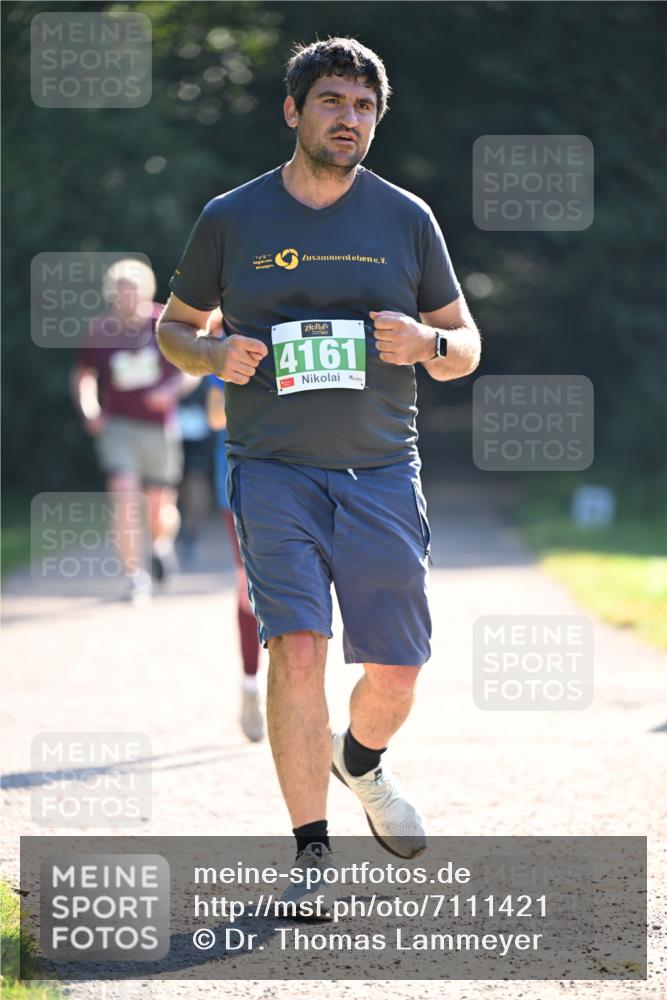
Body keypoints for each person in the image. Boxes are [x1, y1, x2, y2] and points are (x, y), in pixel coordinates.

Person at [156, 37, 481, 915]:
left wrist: (429, 345)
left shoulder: (406, 217)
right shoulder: (233, 216)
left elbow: (465, 345)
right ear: (294, 111)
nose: (350, 119)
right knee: (295, 646)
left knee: (397, 671)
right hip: (273, 470)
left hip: (380, 468)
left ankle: (362, 762)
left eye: (364, 107)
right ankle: (310, 851)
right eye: (333, 102)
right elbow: (174, 328)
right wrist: (211, 351)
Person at [71, 258, 196, 602]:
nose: (126, 299)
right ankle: (134, 576)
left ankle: (160, 543)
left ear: (145, 292)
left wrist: (169, 392)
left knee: (158, 509)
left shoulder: (164, 323)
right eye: (120, 293)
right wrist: (90, 409)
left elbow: (192, 369)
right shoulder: (101, 330)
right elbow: (84, 376)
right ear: (113, 295)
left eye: (133, 292)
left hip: (160, 427)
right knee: (125, 500)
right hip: (119, 426)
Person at [205, 362, 264, 743]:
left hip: (299, 475)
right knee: (248, 587)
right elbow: (213, 417)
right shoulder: (224, 338)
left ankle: (297, 687)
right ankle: (250, 684)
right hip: (239, 480)